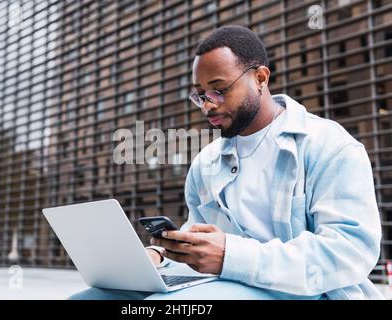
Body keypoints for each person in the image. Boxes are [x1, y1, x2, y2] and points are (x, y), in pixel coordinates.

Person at [69, 25, 384, 300]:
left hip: (311, 293)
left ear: (260, 77)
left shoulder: (329, 145)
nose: (208, 105)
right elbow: (201, 243)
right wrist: (161, 255)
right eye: (200, 95)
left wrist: (231, 257)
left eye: (219, 91)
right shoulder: (206, 162)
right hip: (226, 284)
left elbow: (350, 253)